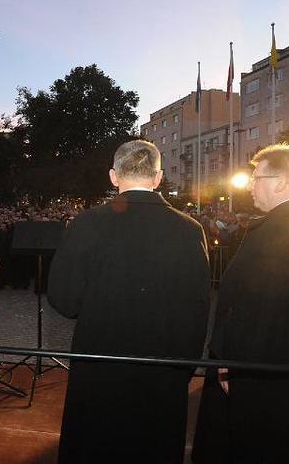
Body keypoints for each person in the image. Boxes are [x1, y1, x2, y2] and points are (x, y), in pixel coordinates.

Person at [47, 139, 211, 463]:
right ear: (158, 176)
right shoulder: (189, 230)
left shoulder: (87, 223)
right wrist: (185, 367)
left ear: (113, 175)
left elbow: (62, 298)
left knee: (96, 447)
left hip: (99, 364)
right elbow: (199, 307)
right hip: (162, 369)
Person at [192, 144, 289, 463]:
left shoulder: (287, 230)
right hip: (279, 374)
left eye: (256, 177)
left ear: (280, 182)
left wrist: (233, 366)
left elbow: (261, 310)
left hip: (269, 379)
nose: (250, 185)